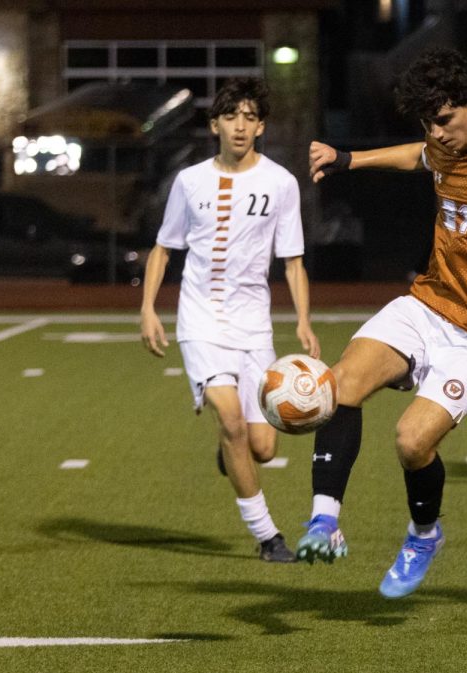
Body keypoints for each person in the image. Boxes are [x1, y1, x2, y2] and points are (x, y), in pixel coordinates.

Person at [298, 48, 467, 599]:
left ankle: (424, 534)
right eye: (429, 124)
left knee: (411, 442)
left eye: (445, 120)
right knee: (339, 387)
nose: (437, 134)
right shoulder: (440, 141)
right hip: (427, 303)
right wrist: (347, 158)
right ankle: (323, 521)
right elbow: (415, 156)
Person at [139, 77, 319, 563]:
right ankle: (268, 537)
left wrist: (303, 320)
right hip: (200, 322)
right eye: (232, 116)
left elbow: (293, 261)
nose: (241, 126)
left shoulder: (280, 183)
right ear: (215, 123)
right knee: (233, 420)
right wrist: (148, 308)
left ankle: (231, 452)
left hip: (254, 327)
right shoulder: (189, 181)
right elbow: (163, 248)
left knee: (263, 447)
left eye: (250, 117)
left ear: (260, 127)